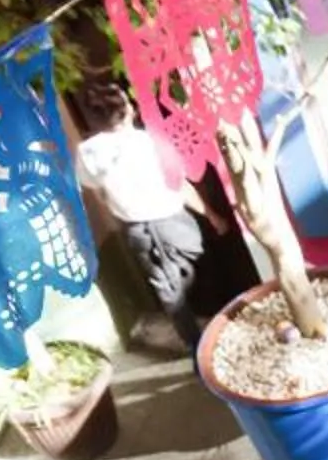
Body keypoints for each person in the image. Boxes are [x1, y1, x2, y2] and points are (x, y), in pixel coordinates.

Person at [75, 79, 228, 350]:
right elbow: (180, 185)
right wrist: (211, 215)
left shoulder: (88, 152)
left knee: (168, 289)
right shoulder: (151, 141)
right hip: (173, 221)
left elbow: (96, 191)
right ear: (129, 109)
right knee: (201, 274)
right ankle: (221, 333)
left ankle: (196, 346)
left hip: (135, 229)